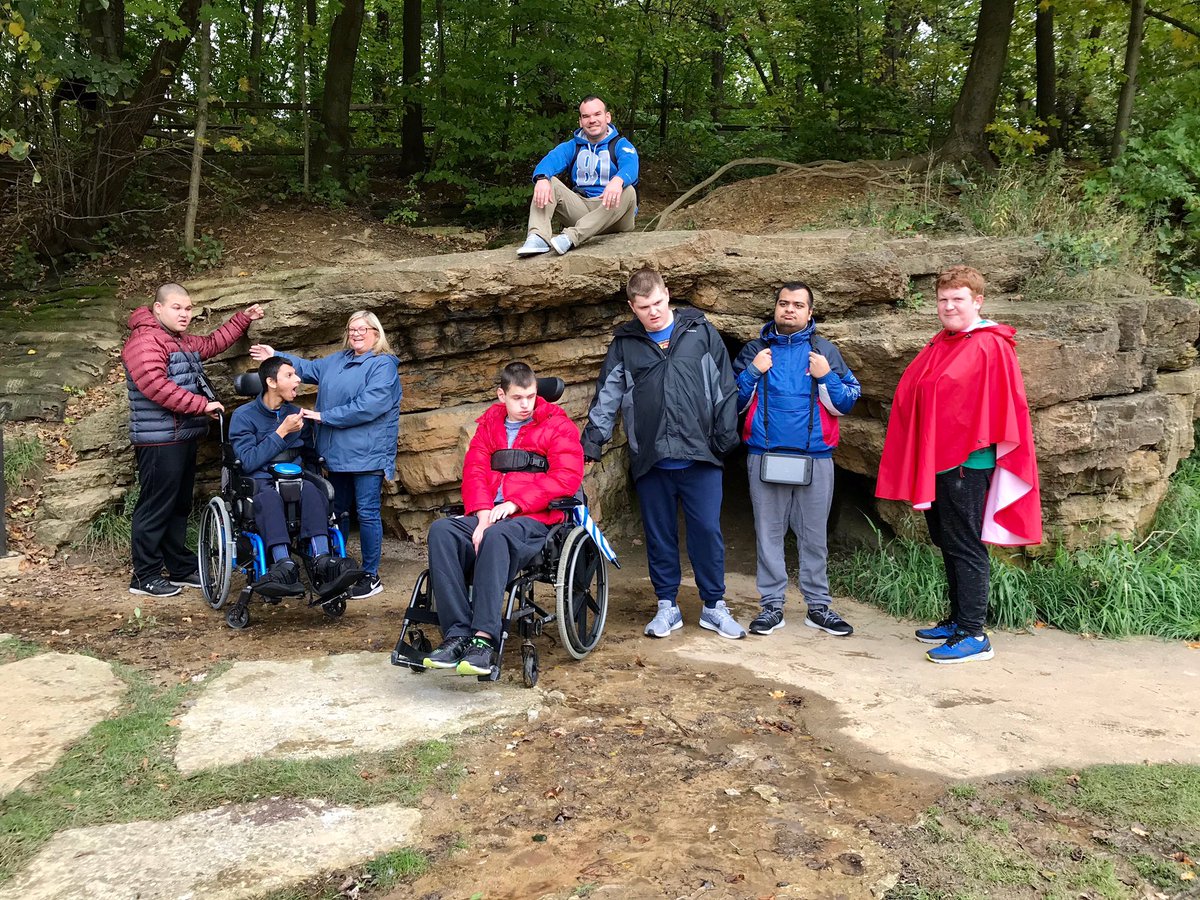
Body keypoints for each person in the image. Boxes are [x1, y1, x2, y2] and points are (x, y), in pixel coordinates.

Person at [876, 266, 1043, 664]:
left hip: (968, 462)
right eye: (943, 299)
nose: (949, 306)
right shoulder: (946, 342)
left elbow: (991, 407)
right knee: (947, 541)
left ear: (978, 301)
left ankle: (974, 634)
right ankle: (957, 620)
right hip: (940, 460)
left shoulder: (989, 345)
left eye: (958, 299)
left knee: (966, 545)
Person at [582, 267, 744, 639]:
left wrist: (723, 441)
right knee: (659, 535)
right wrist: (592, 442)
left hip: (701, 456)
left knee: (706, 532)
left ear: (667, 294)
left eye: (657, 302)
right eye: (643, 307)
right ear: (632, 307)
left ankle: (713, 606)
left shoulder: (700, 332)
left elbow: (724, 389)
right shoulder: (625, 344)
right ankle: (666, 606)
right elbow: (607, 397)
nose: (652, 312)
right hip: (652, 457)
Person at [422, 362, 584, 676]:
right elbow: (475, 473)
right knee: (442, 531)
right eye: (518, 398)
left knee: (498, 536)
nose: (526, 404)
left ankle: (483, 639)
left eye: (531, 397)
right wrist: (483, 518)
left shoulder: (557, 424)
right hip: (489, 514)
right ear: (501, 395)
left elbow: (566, 478)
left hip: (534, 517)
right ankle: (457, 635)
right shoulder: (488, 426)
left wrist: (514, 504)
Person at [733, 283, 862, 638]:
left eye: (798, 305)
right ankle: (771, 607)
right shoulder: (755, 351)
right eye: (783, 303)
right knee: (768, 534)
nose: (789, 310)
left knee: (813, 536)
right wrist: (752, 373)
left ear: (810, 313)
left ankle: (818, 607)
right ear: (775, 308)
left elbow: (848, 400)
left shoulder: (824, 351)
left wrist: (826, 376)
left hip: (815, 457)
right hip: (764, 455)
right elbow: (730, 401)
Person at [122, 282, 263, 597]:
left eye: (188, 309)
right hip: (159, 441)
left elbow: (212, 343)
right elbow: (156, 386)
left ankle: (180, 568)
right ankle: (144, 576)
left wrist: (243, 319)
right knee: (155, 507)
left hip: (180, 436)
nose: (184, 314)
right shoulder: (145, 342)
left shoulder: (177, 341)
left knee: (178, 506)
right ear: (158, 308)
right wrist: (201, 405)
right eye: (177, 308)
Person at [249, 311, 401, 599]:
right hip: (337, 452)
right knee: (337, 511)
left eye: (363, 329)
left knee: (367, 512)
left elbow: (369, 405)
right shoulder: (337, 360)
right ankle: (336, 569)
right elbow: (305, 368)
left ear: (376, 332)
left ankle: (370, 574)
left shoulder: (382, 365)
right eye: (352, 328)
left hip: (368, 452)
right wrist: (276, 354)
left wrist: (323, 415)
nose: (356, 333)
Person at [227, 356, 361, 595]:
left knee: (313, 490)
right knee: (269, 498)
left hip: (296, 478)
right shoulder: (243, 416)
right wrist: (281, 432)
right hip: (260, 481)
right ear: (271, 382)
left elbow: (311, 455)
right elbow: (247, 462)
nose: (298, 379)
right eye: (289, 376)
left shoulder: (298, 414)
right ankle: (283, 565)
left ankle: (322, 560)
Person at [516, 95, 639, 258]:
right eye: (586, 116)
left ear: (607, 117)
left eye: (597, 114)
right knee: (547, 181)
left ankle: (571, 238)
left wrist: (617, 181)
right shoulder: (572, 146)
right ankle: (538, 236)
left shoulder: (621, 145)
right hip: (583, 210)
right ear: (580, 121)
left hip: (615, 215)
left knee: (628, 190)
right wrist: (542, 178)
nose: (592, 120)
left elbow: (631, 165)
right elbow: (550, 161)